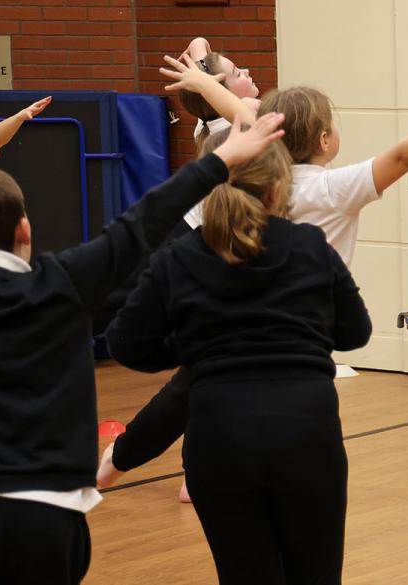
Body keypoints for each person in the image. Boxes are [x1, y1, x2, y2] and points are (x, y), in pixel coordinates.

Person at [0, 113, 287, 585]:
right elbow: (141, 224)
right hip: (44, 517)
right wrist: (223, 159)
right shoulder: (60, 285)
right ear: (23, 230)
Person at [106, 117, 371, 584]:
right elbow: (355, 332)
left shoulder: (180, 255)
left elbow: (125, 342)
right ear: (276, 190)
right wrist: (298, 335)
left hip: (219, 436)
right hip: (306, 431)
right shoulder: (309, 245)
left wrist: (195, 347)